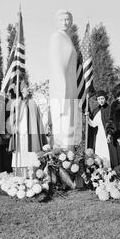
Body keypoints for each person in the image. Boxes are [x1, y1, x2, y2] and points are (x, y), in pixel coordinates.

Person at [48, 9, 82, 148]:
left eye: (67, 19)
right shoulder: (56, 37)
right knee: (63, 127)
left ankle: (71, 158)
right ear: (56, 22)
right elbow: (57, 64)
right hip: (62, 90)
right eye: (61, 20)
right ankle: (63, 159)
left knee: (70, 128)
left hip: (71, 87)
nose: (65, 22)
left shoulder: (68, 39)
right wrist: (62, 94)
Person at [8, 80, 47, 178]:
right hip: (20, 134)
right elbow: (12, 118)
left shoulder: (32, 102)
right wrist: (13, 126)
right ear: (21, 90)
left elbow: (36, 119)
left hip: (30, 134)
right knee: (22, 156)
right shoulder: (15, 103)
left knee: (31, 156)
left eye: (27, 88)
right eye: (25, 88)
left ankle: (32, 176)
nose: (28, 89)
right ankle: (24, 177)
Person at [86, 90, 119, 169]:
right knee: (99, 152)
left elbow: (113, 123)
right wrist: (87, 117)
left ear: (105, 98)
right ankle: (99, 171)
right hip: (99, 135)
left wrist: (110, 133)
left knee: (107, 152)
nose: (100, 101)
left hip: (107, 135)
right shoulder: (96, 110)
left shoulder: (110, 109)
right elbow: (93, 124)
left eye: (102, 98)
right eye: (99, 99)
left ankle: (109, 170)